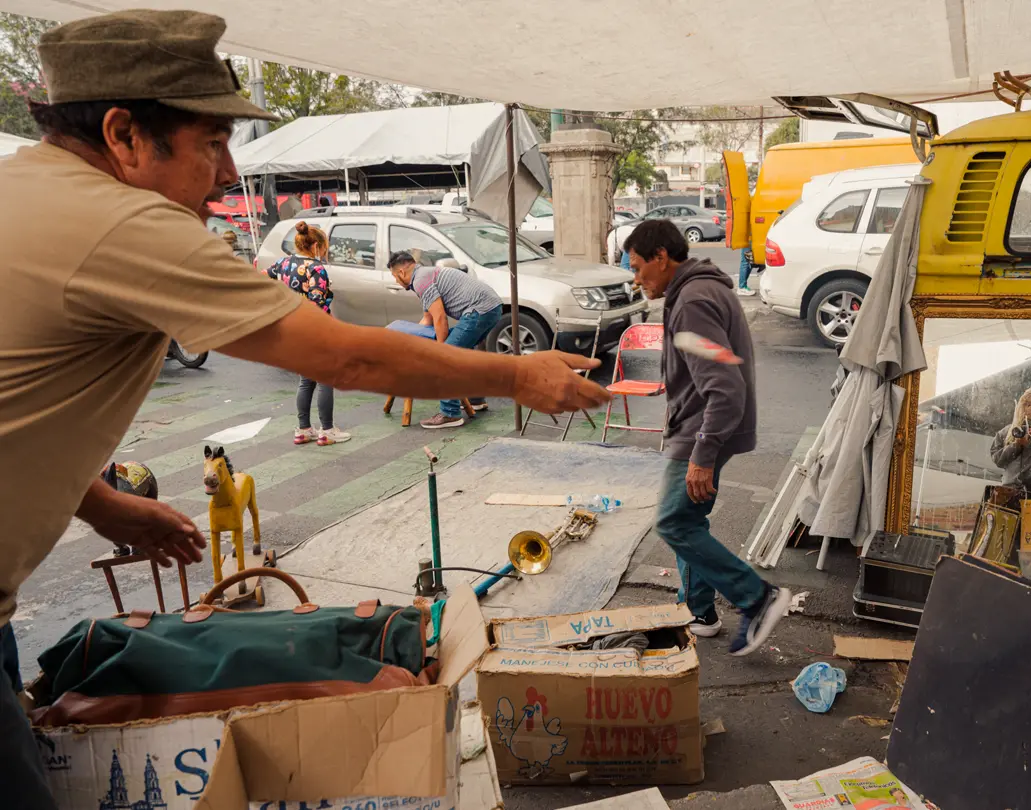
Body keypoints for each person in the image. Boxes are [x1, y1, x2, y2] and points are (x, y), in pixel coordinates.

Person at [0, 12, 607, 806]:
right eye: (211, 142)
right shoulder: (120, 220)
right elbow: (344, 356)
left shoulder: (26, 192)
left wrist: (102, 502)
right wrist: (517, 378)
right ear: (124, 136)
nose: (226, 173)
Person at [624, 219, 791, 656]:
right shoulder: (698, 291)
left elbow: (725, 387)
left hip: (702, 431)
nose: (636, 277)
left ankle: (759, 597)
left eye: (639, 266)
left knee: (674, 522)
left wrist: (703, 452)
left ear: (662, 257)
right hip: (699, 427)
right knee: (689, 522)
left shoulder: (693, 300)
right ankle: (700, 612)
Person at [388, 250, 504, 429]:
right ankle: (476, 399)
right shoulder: (426, 275)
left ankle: (450, 414)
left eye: (395, 276)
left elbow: (440, 318)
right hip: (492, 307)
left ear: (402, 272)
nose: (396, 280)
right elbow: (428, 319)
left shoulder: (420, 281)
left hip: (478, 310)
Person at [265, 221, 351, 446]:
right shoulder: (316, 269)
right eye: (323, 248)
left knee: (306, 380)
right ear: (315, 246)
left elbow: (264, 277)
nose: (324, 252)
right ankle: (327, 430)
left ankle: (303, 429)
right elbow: (316, 305)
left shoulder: (283, 263)